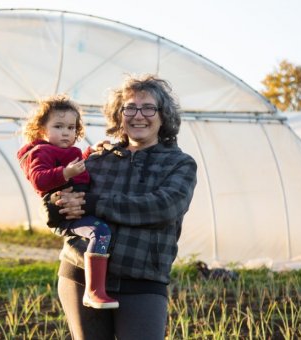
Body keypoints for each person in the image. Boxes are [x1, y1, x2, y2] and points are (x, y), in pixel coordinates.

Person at [47, 75, 198, 339]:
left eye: (148, 108)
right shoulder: (96, 159)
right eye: (130, 108)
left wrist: (95, 204)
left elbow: (162, 207)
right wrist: (55, 204)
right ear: (120, 115)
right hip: (79, 274)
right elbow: (56, 201)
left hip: (141, 280)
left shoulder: (179, 164)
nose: (138, 115)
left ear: (163, 116)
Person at [17, 95, 119, 309]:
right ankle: (93, 291)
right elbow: (38, 179)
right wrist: (65, 173)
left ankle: (97, 286)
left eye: (71, 128)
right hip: (64, 213)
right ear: (41, 129)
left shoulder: (70, 151)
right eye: (58, 126)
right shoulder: (40, 152)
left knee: (101, 232)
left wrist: (91, 152)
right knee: (100, 233)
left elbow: (76, 162)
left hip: (79, 208)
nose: (66, 132)